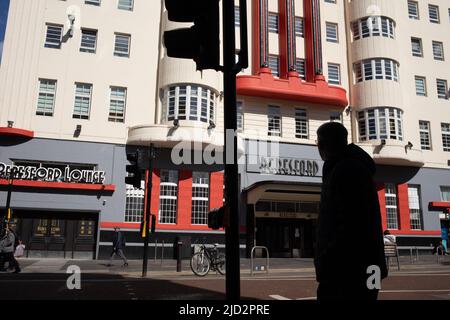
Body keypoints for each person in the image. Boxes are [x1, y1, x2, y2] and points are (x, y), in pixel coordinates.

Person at [315, 122, 387, 301]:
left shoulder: (343, 170)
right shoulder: (357, 167)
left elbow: (344, 222)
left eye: (319, 143)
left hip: (346, 268)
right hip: (369, 264)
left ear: (323, 145)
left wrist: (326, 259)